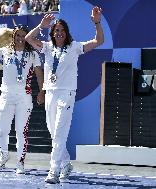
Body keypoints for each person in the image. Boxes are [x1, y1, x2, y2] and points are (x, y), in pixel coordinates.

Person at [25, 7, 104, 184]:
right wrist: (41, 25)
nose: (59, 33)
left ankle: (54, 170)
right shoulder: (46, 48)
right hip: (50, 93)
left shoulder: (75, 47)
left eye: (62, 30)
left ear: (67, 33)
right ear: (52, 32)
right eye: (56, 30)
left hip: (66, 94)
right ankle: (66, 163)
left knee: (60, 132)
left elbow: (99, 40)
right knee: (54, 134)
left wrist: (97, 22)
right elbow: (28, 39)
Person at [0, 25, 44, 174]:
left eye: (23, 36)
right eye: (17, 35)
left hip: (24, 97)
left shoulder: (33, 55)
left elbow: (39, 74)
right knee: (2, 131)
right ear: (13, 36)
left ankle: (20, 162)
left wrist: (42, 91)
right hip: (6, 96)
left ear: (26, 37)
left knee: (21, 132)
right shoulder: (5, 51)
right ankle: (4, 154)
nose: (20, 38)